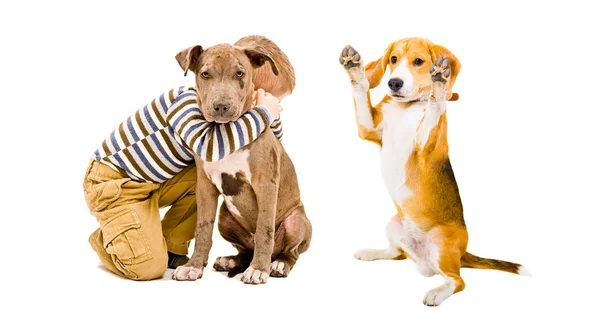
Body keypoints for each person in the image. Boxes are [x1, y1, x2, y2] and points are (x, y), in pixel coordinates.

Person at [83, 87, 285, 280]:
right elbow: (211, 149)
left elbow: (268, 146)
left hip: (158, 181)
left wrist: (272, 114)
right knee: (148, 266)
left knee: (210, 178)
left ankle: (169, 243)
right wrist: (263, 113)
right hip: (115, 182)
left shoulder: (242, 111)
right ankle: (111, 239)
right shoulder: (184, 103)